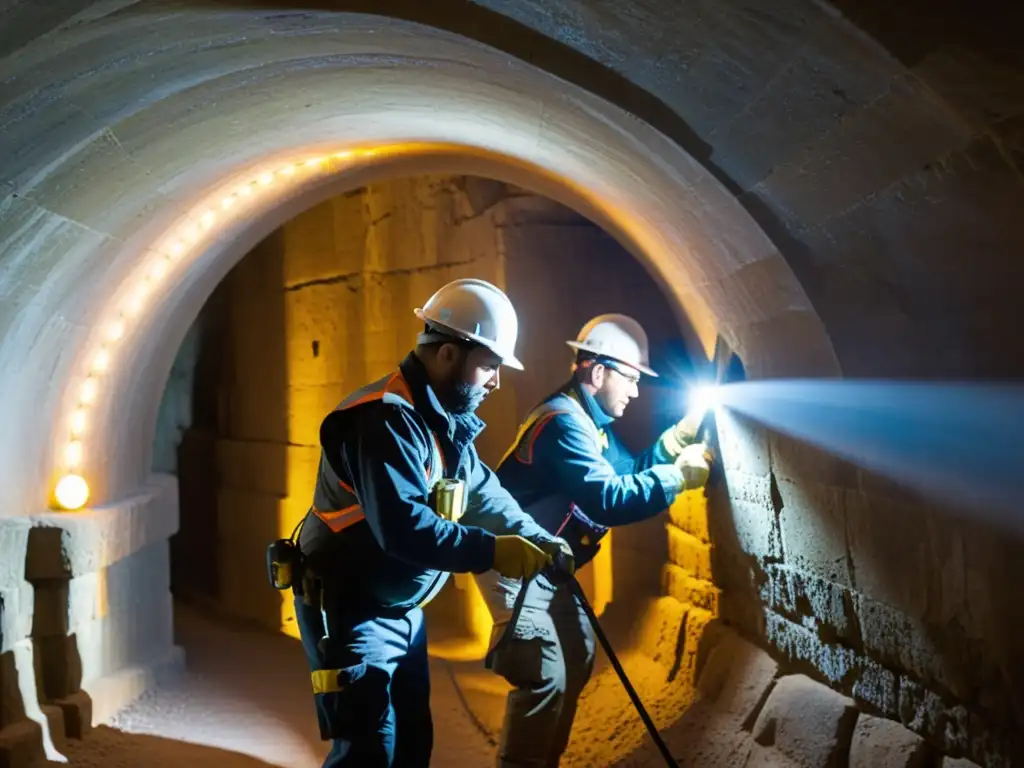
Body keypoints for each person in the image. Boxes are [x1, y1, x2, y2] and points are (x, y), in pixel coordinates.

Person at [292, 278, 574, 768]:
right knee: (369, 751)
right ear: (447, 355)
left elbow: (483, 492)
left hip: (400, 610)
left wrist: (538, 539)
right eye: (489, 366)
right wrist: (496, 551)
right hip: (350, 608)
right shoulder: (384, 420)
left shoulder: (441, 421)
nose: (496, 382)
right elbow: (404, 528)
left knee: (411, 746)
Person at [482, 313, 712, 767]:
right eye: (630, 377)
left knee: (578, 652)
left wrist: (672, 443)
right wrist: (676, 477)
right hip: (513, 563)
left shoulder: (592, 424)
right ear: (598, 371)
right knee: (543, 673)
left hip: (547, 564)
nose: (636, 390)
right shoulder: (561, 425)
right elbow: (607, 498)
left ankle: (543, 760)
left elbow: (624, 474)